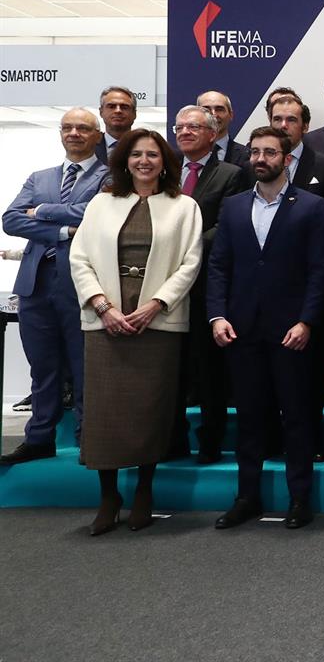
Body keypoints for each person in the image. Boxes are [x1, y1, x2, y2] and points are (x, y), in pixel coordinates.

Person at [69, 129, 202, 534]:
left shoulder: (184, 207)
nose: (145, 161)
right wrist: (103, 307)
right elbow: (80, 260)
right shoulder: (101, 204)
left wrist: (156, 304)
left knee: (150, 411)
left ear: (165, 163)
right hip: (105, 324)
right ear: (125, 161)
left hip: (156, 324)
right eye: (137, 155)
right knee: (104, 414)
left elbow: (189, 263)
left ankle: (145, 490)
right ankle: (109, 497)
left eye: (153, 155)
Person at [207, 126, 324, 530]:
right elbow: (219, 266)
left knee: (296, 417)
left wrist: (307, 321)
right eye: (255, 152)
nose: (260, 159)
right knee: (249, 418)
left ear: (286, 157)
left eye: (269, 153)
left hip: (291, 332)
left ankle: (299, 500)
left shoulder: (311, 206)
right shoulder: (235, 206)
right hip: (241, 330)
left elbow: (319, 271)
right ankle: (247, 497)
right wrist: (217, 315)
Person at [1, 109, 108, 465]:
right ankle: (39, 437)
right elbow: (11, 219)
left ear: (97, 135)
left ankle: (87, 437)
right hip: (35, 285)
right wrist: (63, 230)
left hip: (80, 286)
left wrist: (43, 210)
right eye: (68, 127)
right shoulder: (39, 176)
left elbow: (94, 214)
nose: (74, 133)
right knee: (42, 367)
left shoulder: (110, 177)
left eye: (82, 128)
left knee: (84, 366)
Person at [172, 105, 248, 463]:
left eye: (194, 127)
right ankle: (173, 439)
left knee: (209, 370)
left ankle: (210, 440)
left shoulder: (231, 174)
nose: (185, 132)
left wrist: (183, 248)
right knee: (171, 369)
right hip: (166, 287)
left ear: (212, 133)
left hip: (207, 285)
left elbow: (228, 225)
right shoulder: (165, 173)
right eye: (180, 127)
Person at [268, 93, 324, 459]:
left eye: (291, 120)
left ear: (305, 126)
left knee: (313, 372)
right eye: (278, 119)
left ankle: (310, 441)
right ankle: (272, 440)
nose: (284, 125)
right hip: (270, 289)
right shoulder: (259, 164)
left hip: (314, 286)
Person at [197, 89, 249, 165]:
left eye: (219, 109)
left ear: (231, 115)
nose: (213, 115)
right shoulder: (184, 155)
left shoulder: (247, 155)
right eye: (206, 110)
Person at [95, 86, 137, 163]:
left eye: (124, 107)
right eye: (111, 106)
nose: (118, 111)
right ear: (101, 112)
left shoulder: (145, 146)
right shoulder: (88, 147)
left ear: (134, 114)